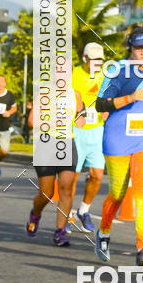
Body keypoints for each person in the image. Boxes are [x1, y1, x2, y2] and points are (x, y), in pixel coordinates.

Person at [94, 27, 143, 267]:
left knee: (142, 195)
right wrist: (129, 98)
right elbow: (100, 104)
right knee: (117, 192)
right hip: (117, 138)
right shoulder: (117, 70)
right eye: (139, 48)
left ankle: (142, 249)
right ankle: (104, 233)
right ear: (131, 48)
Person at [27, 86, 84, 246]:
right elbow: (31, 120)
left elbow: (80, 112)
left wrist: (81, 117)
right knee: (46, 193)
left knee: (66, 189)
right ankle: (35, 214)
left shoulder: (75, 94)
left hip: (67, 144)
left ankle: (60, 231)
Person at [69, 42, 107, 233]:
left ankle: (83, 210)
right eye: (94, 61)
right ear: (85, 59)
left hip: (97, 131)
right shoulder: (73, 74)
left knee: (97, 175)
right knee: (72, 178)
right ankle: (67, 215)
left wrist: (107, 109)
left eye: (100, 61)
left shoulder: (104, 75)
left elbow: (108, 98)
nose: (97, 64)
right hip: (76, 132)